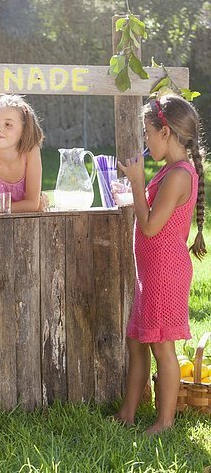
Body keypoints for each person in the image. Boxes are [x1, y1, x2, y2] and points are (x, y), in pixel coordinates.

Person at [115, 95, 206, 435]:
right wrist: (135, 191)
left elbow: (152, 227)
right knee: (137, 341)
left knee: (161, 347)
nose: (146, 140)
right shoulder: (170, 170)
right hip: (151, 273)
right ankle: (127, 412)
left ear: (165, 132)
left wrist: (138, 184)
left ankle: (165, 422)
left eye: (147, 132)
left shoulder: (180, 175)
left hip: (165, 274)